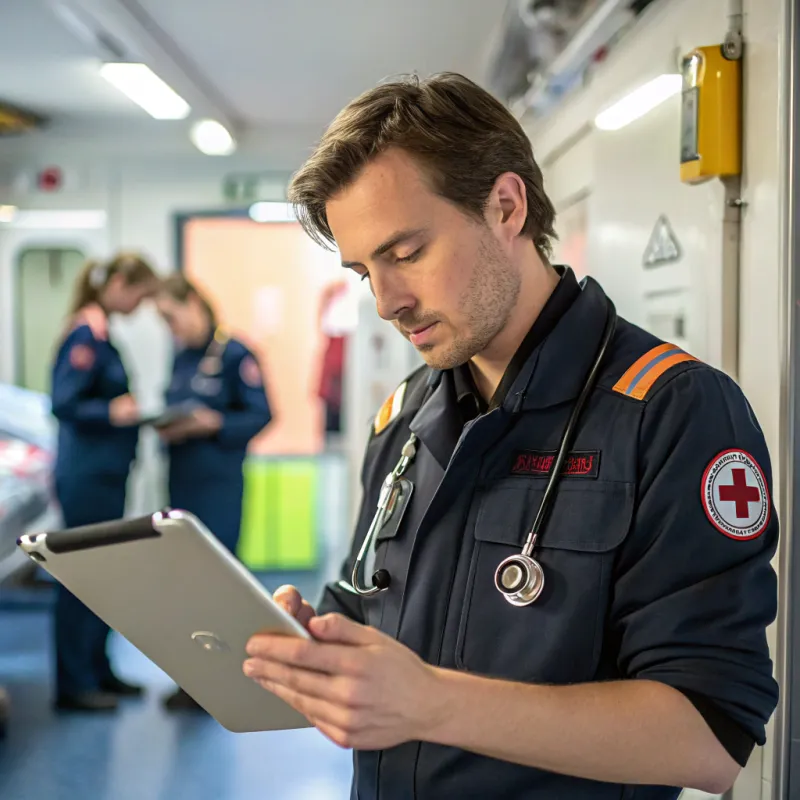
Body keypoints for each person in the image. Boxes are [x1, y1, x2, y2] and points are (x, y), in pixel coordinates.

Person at [242, 73, 780, 799]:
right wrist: (318, 646)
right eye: (364, 270)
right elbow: (370, 604)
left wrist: (431, 701)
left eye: (405, 253)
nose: (385, 302)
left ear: (505, 206)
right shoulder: (405, 418)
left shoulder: (672, 410)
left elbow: (709, 739)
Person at [154, 274, 272, 711]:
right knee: (186, 586)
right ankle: (192, 682)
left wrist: (214, 424)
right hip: (182, 486)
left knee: (219, 584)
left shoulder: (235, 353)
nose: (171, 328)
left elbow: (262, 414)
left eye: (171, 317)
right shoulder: (182, 357)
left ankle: (223, 682)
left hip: (219, 488)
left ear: (194, 305)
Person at [51, 252, 156, 712]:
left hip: (106, 474)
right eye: (139, 294)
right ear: (117, 283)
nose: (140, 305)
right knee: (81, 578)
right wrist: (112, 412)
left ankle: (98, 669)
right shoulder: (84, 333)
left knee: (103, 578)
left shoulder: (102, 332)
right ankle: (75, 684)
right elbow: (63, 401)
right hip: (87, 477)